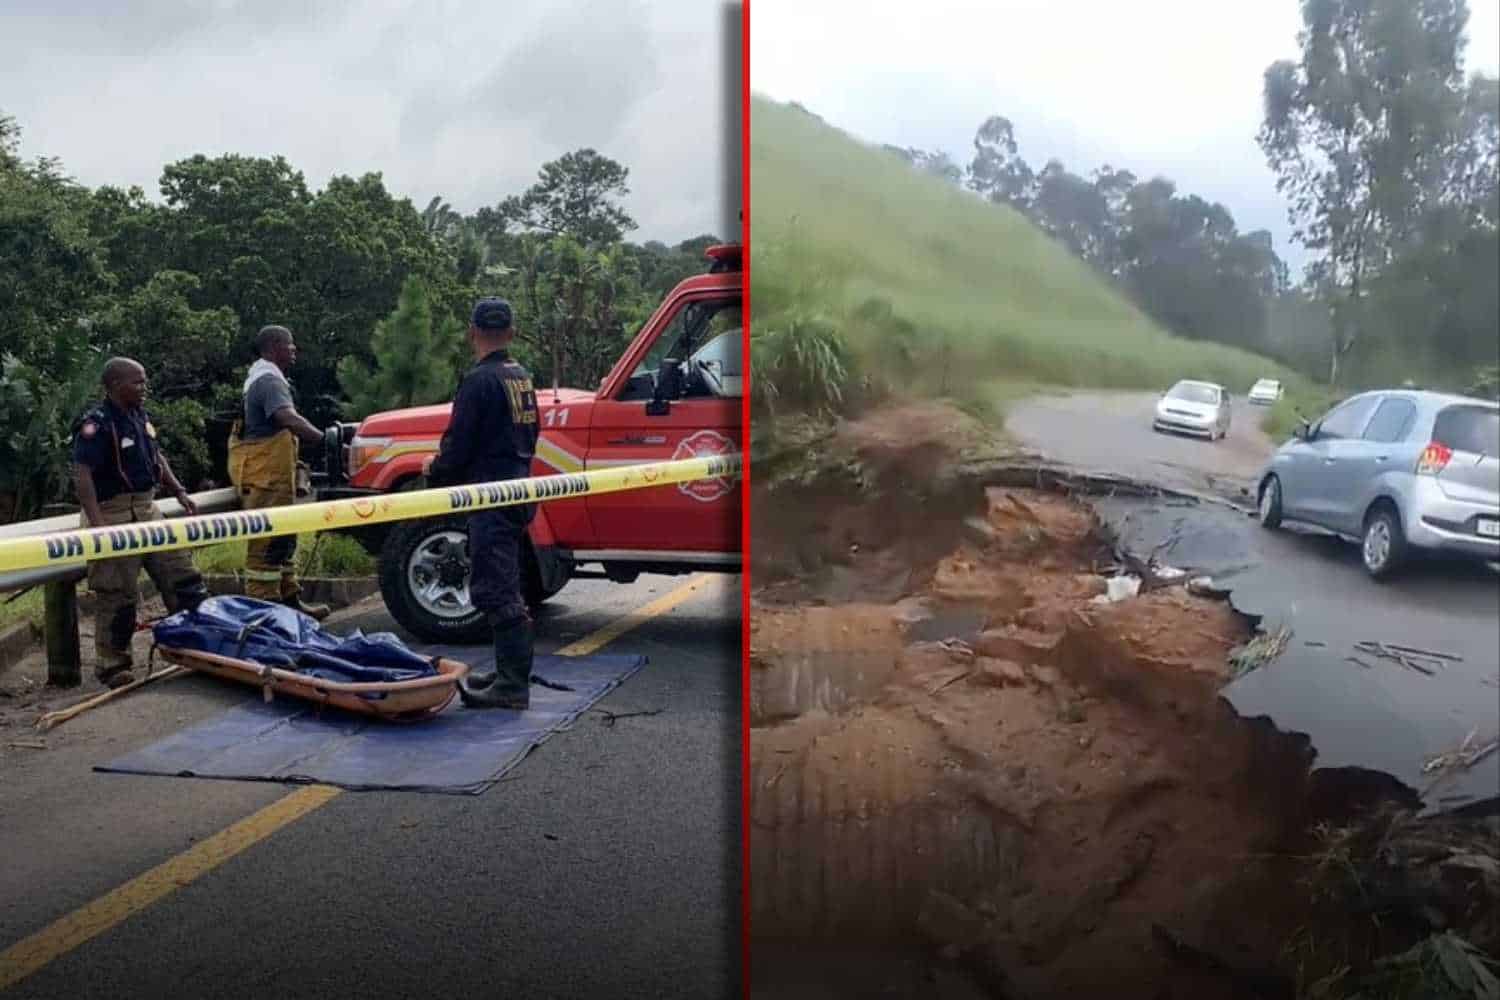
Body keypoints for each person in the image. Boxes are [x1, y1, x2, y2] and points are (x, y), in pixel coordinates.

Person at [424, 298, 540, 710]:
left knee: (494, 588)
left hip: (490, 493)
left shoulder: (479, 381)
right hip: (519, 488)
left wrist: (434, 471)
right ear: (511, 332)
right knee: (505, 581)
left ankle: (511, 686)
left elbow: (459, 446)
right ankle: (509, 674)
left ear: (472, 331)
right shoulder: (521, 376)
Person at [71, 358, 210, 689]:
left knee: (181, 575)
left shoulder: (139, 415)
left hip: (147, 508)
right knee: (117, 593)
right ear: (116, 385)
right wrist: (99, 524)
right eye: (138, 382)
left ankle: (191, 641)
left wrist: (179, 491)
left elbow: (156, 457)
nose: (144, 387)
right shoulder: (96, 423)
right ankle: (113, 664)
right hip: (112, 510)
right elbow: (82, 473)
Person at [227, 324, 330, 620]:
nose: (294, 350)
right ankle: (265, 616)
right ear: (273, 346)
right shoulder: (269, 381)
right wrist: (324, 440)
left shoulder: (263, 377)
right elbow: (286, 417)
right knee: (266, 548)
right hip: (265, 478)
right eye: (290, 344)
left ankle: (289, 603)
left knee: (284, 541)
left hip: (273, 477)